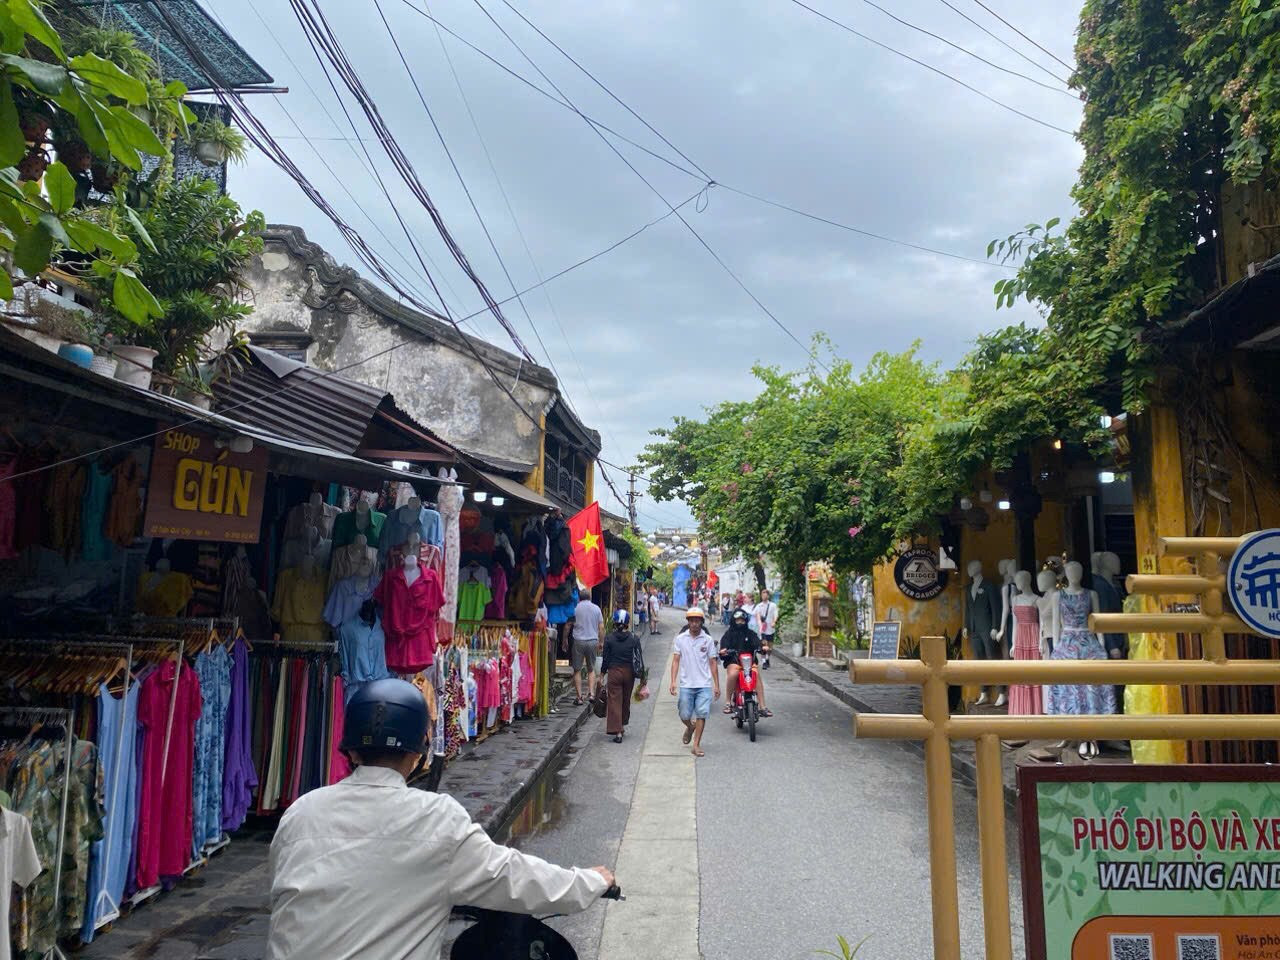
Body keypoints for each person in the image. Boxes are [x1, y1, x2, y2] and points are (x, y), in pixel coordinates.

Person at [267, 679, 615, 960]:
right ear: (419, 751)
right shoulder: (436, 819)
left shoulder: (300, 812)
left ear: (351, 749)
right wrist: (589, 881)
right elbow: (514, 876)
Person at [670, 607, 720, 757]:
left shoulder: (708, 640)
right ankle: (690, 727)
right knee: (684, 714)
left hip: (704, 684)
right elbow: (676, 660)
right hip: (686, 684)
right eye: (691, 621)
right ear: (688, 622)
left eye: (697, 621)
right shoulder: (681, 639)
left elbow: (712, 662)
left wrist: (716, 685)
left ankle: (696, 744)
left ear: (701, 622)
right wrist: (673, 681)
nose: (694, 624)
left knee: (702, 714)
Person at [602, 609, 644, 743]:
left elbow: (605, 659)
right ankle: (622, 724)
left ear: (614, 622)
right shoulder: (634, 638)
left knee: (614, 701)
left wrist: (601, 674)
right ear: (627, 623)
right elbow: (639, 658)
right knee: (625, 700)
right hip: (629, 673)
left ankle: (618, 731)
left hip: (614, 673)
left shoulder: (609, 638)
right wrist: (643, 677)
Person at [720, 608, 771, 717]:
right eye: (738, 620)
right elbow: (723, 647)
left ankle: (763, 706)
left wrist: (762, 647)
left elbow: (758, 643)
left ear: (745, 621)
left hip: (749, 662)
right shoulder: (728, 634)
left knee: (756, 675)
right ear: (734, 621)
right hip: (734, 661)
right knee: (733, 674)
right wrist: (724, 651)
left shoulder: (750, 633)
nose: (740, 622)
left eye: (742, 620)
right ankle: (728, 702)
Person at [568, 587, 604, 706]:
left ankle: (579, 697)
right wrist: (601, 641)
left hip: (578, 640)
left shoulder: (575, 609)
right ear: (590, 597)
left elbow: (568, 625)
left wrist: (564, 639)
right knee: (591, 669)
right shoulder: (596, 609)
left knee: (577, 669)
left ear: (579, 597)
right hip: (592, 640)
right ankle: (592, 694)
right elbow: (601, 627)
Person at [752, 588, 779, 670]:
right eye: (762, 594)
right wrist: (758, 619)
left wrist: (774, 622)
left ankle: (767, 658)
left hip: (770, 629)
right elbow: (754, 614)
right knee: (764, 645)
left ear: (768, 595)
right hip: (762, 629)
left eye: (765, 594)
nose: (764, 596)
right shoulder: (759, 606)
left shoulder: (773, 605)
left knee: (770, 647)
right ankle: (764, 661)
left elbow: (776, 614)